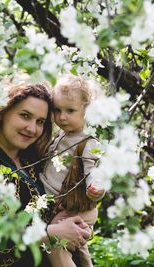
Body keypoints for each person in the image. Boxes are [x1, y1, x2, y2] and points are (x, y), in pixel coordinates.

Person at [0, 83, 91, 267]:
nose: (32, 129)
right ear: (2, 112)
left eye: (40, 122)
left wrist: (80, 229)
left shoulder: (35, 158)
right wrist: (52, 233)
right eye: (25, 116)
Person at [40, 75, 105, 267]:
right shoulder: (63, 135)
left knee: (55, 243)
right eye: (57, 110)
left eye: (70, 110)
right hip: (62, 204)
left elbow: (93, 171)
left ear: (87, 111)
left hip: (74, 208)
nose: (61, 117)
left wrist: (96, 188)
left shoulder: (88, 141)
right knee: (81, 251)